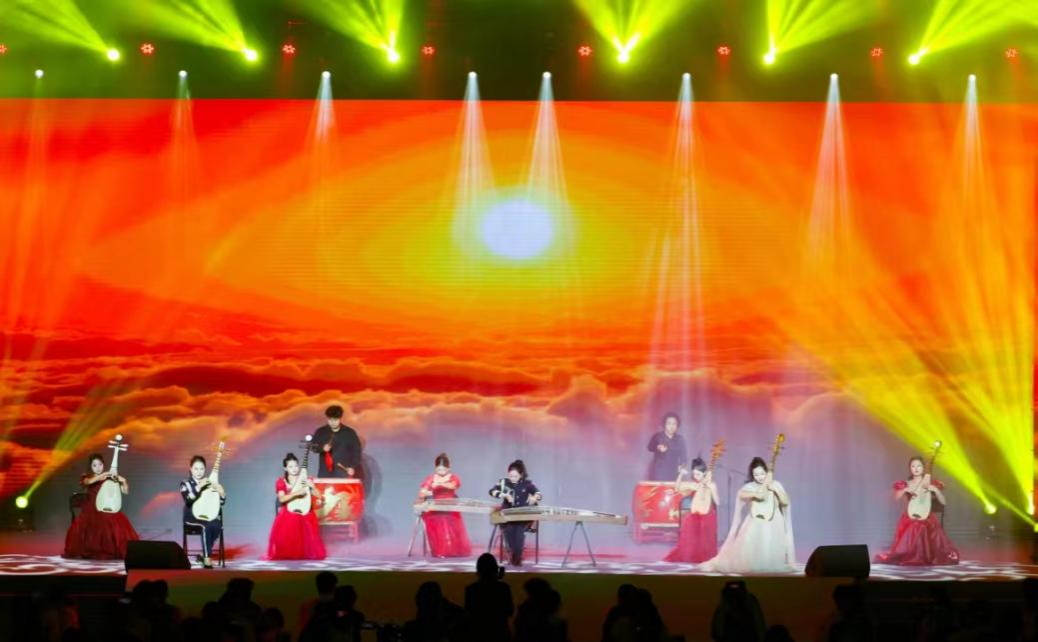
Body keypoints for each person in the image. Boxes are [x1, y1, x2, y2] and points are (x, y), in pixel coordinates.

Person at [702, 457, 795, 573]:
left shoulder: (776, 484)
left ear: (767, 472)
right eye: (756, 475)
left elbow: (785, 501)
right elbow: (741, 494)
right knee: (750, 555)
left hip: (773, 522)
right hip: (755, 522)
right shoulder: (750, 486)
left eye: (762, 474)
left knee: (769, 551)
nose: (759, 477)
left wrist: (775, 489)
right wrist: (756, 493)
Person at [875, 456, 959, 566]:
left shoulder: (928, 483)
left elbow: (943, 502)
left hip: (926, 517)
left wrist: (936, 490)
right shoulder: (906, 483)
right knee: (914, 526)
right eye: (913, 466)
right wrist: (905, 489)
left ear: (923, 468)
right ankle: (911, 556)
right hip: (910, 516)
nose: (916, 468)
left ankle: (925, 556)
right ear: (910, 468)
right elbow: (896, 498)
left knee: (922, 526)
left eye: (919, 466)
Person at [63, 452, 140, 559]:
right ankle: (93, 549)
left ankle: (112, 550)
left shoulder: (109, 478)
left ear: (103, 464)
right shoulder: (87, 476)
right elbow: (88, 482)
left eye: (100, 464)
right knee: (96, 522)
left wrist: (123, 481)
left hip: (106, 507)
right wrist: (104, 475)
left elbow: (125, 491)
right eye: (94, 465)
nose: (98, 467)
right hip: (91, 508)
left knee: (114, 521)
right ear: (90, 467)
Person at [267, 453, 326, 560]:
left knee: (307, 518)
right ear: (285, 468)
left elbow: (319, 496)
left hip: (306, 511)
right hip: (289, 512)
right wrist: (296, 493)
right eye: (290, 467)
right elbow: (282, 499)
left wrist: (312, 486)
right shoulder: (282, 482)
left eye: (296, 466)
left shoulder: (306, 479)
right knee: (293, 519)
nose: (294, 469)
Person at [663, 457, 719, 563]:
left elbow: (717, 501)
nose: (695, 476)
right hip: (694, 516)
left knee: (705, 543)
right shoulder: (694, 485)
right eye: (694, 474)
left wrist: (712, 489)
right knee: (690, 544)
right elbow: (677, 488)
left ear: (704, 473)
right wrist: (680, 474)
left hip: (706, 517)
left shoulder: (711, 485)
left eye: (698, 474)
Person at [489, 459, 542, 566]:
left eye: (515, 476)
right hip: (507, 517)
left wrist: (534, 498)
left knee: (518, 534)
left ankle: (516, 557)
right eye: (510, 476)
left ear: (521, 475)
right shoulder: (503, 482)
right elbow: (492, 491)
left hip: (521, 517)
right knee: (509, 533)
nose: (512, 478)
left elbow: (539, 494)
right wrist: (504, 495)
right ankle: (516, 556)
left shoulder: (527, 484)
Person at [418, 453, 472, 558]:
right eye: (439, 469)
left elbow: (453, 486)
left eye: (443, 469)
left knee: (448, 520)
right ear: (435, 468)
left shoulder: (452, 477)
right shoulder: (431, 478)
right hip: (436, 505)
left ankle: (452, 549)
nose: (441, 472)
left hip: (450, 505)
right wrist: (426, 492)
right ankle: (440, 550)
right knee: (435, 519)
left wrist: (439, 484)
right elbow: (422, 492)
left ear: (448, 468)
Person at [180, 455, 225, 568]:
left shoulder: (209, 483)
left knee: (217, 524)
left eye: (201, 469)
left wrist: (222, 494)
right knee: (206, 525)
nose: (199, 472)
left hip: (207, 516)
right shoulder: (185, 483)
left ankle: (203, 554)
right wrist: (198, 487)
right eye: (196, 469)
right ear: (191, 469)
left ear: (205, 469)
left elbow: (219, 503)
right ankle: (206, 559)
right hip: (191, 518)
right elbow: (188, 500)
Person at [464, 553, 513, 642]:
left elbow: (469, 611)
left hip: (478, 633)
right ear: (495, 569)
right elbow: (509, 611)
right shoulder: (504, 588)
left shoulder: (471, 589)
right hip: (500, 633)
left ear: (478, 569)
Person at [311, 405, 362, 478]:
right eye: (330, 419)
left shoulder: (349, 433)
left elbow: (356, 451)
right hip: (325, 472)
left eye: (335, 420)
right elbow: (313, 446)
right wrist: (322, 447)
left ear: (340, 418)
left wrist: (352, 466)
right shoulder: (321, 432)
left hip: (343, 471)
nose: (333, 422)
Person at [646, 412, 688, 481]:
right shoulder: (657, 436)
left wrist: (682, 466)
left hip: (674, 471)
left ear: (677, 425)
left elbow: (683, 457)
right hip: (659, 471)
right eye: (669, 423)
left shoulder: (680, 439)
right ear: (664, 424)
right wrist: (658, 447)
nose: (671, 427)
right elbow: (650, 447)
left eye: (674, 424)